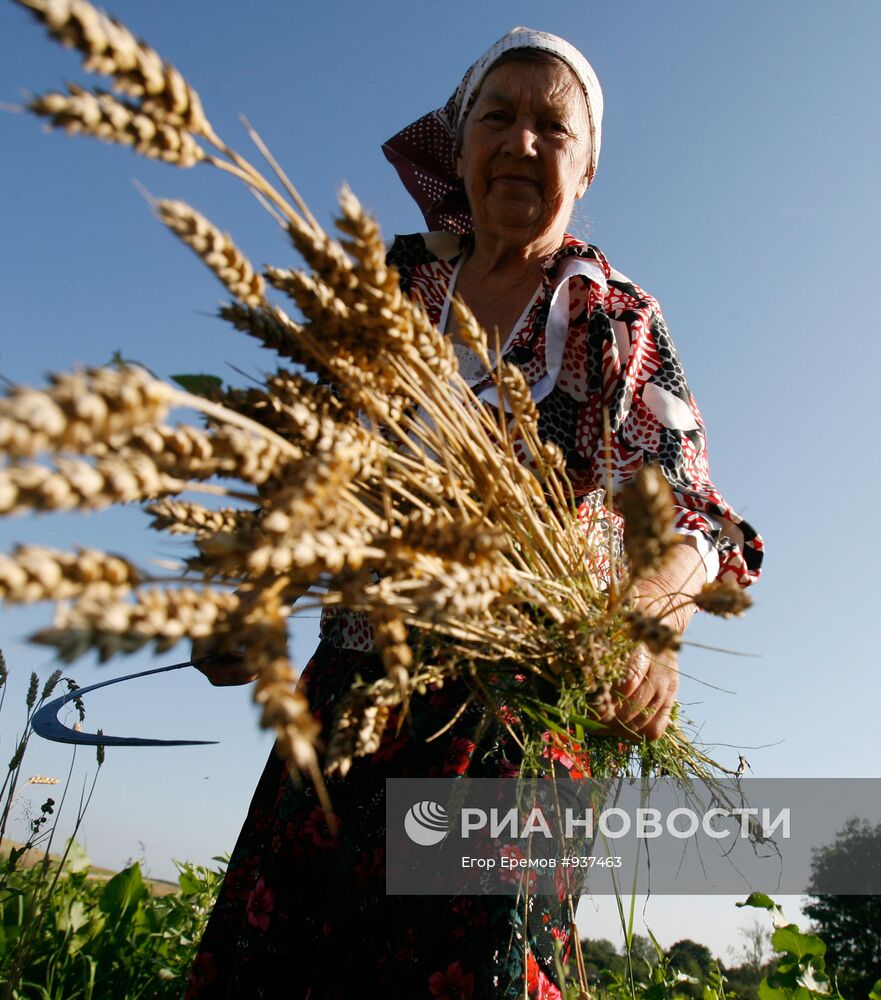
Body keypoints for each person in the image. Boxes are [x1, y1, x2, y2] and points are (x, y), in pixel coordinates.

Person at [185, 28, 763, 999]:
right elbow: (308, 470)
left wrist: (650, 619)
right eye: (499, 116)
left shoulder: (608, 318)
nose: (523, 143)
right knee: (283, 965)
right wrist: (248, 592)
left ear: (586, 169)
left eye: (553, 127)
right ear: (457, 143)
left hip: (503, 719)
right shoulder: (391, 295)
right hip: (347, 701)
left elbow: (688, 503)